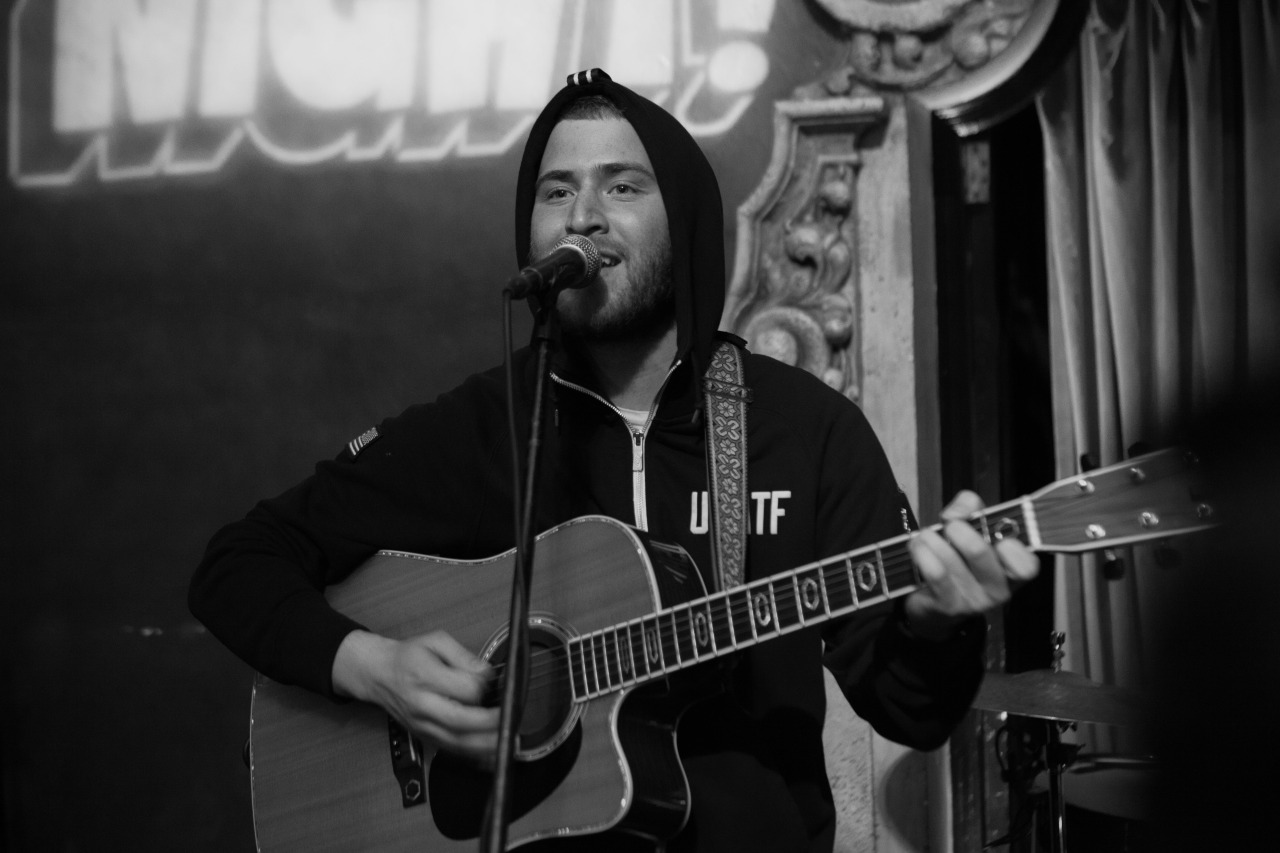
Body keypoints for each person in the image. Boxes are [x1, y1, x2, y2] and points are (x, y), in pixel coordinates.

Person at [189, 70, 1037, 852]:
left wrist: (935, 617)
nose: (581, 216)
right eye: (557, 191)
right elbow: (237, 565)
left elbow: (907, 710)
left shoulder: (805, 428)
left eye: (622, 186)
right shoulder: (483, 425)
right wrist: (374, 669)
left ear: (687, 221)